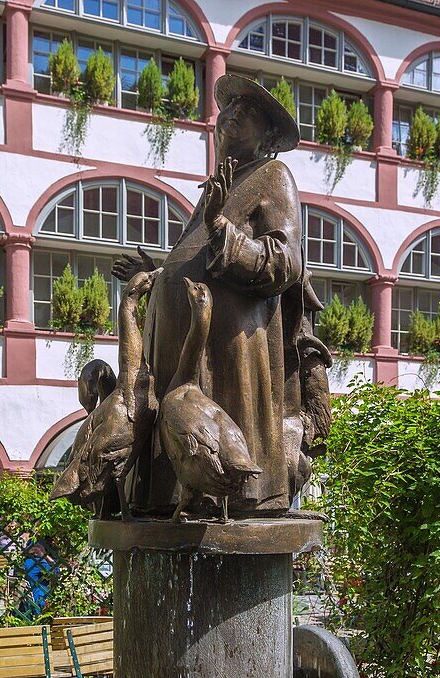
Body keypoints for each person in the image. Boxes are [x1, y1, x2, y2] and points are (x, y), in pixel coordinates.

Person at [114, 74, 308, 518]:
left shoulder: (272, 175)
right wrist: (159, 275)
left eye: (248, 113)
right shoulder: (220, 184)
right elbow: (196, 256)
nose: (231, 116)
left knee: (224, 455)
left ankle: (236, 492)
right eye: (229, 109)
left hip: (228, 343)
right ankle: (168, 496)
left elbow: (284, 262)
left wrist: (222, 227)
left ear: (267, 138)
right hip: (180, 345)